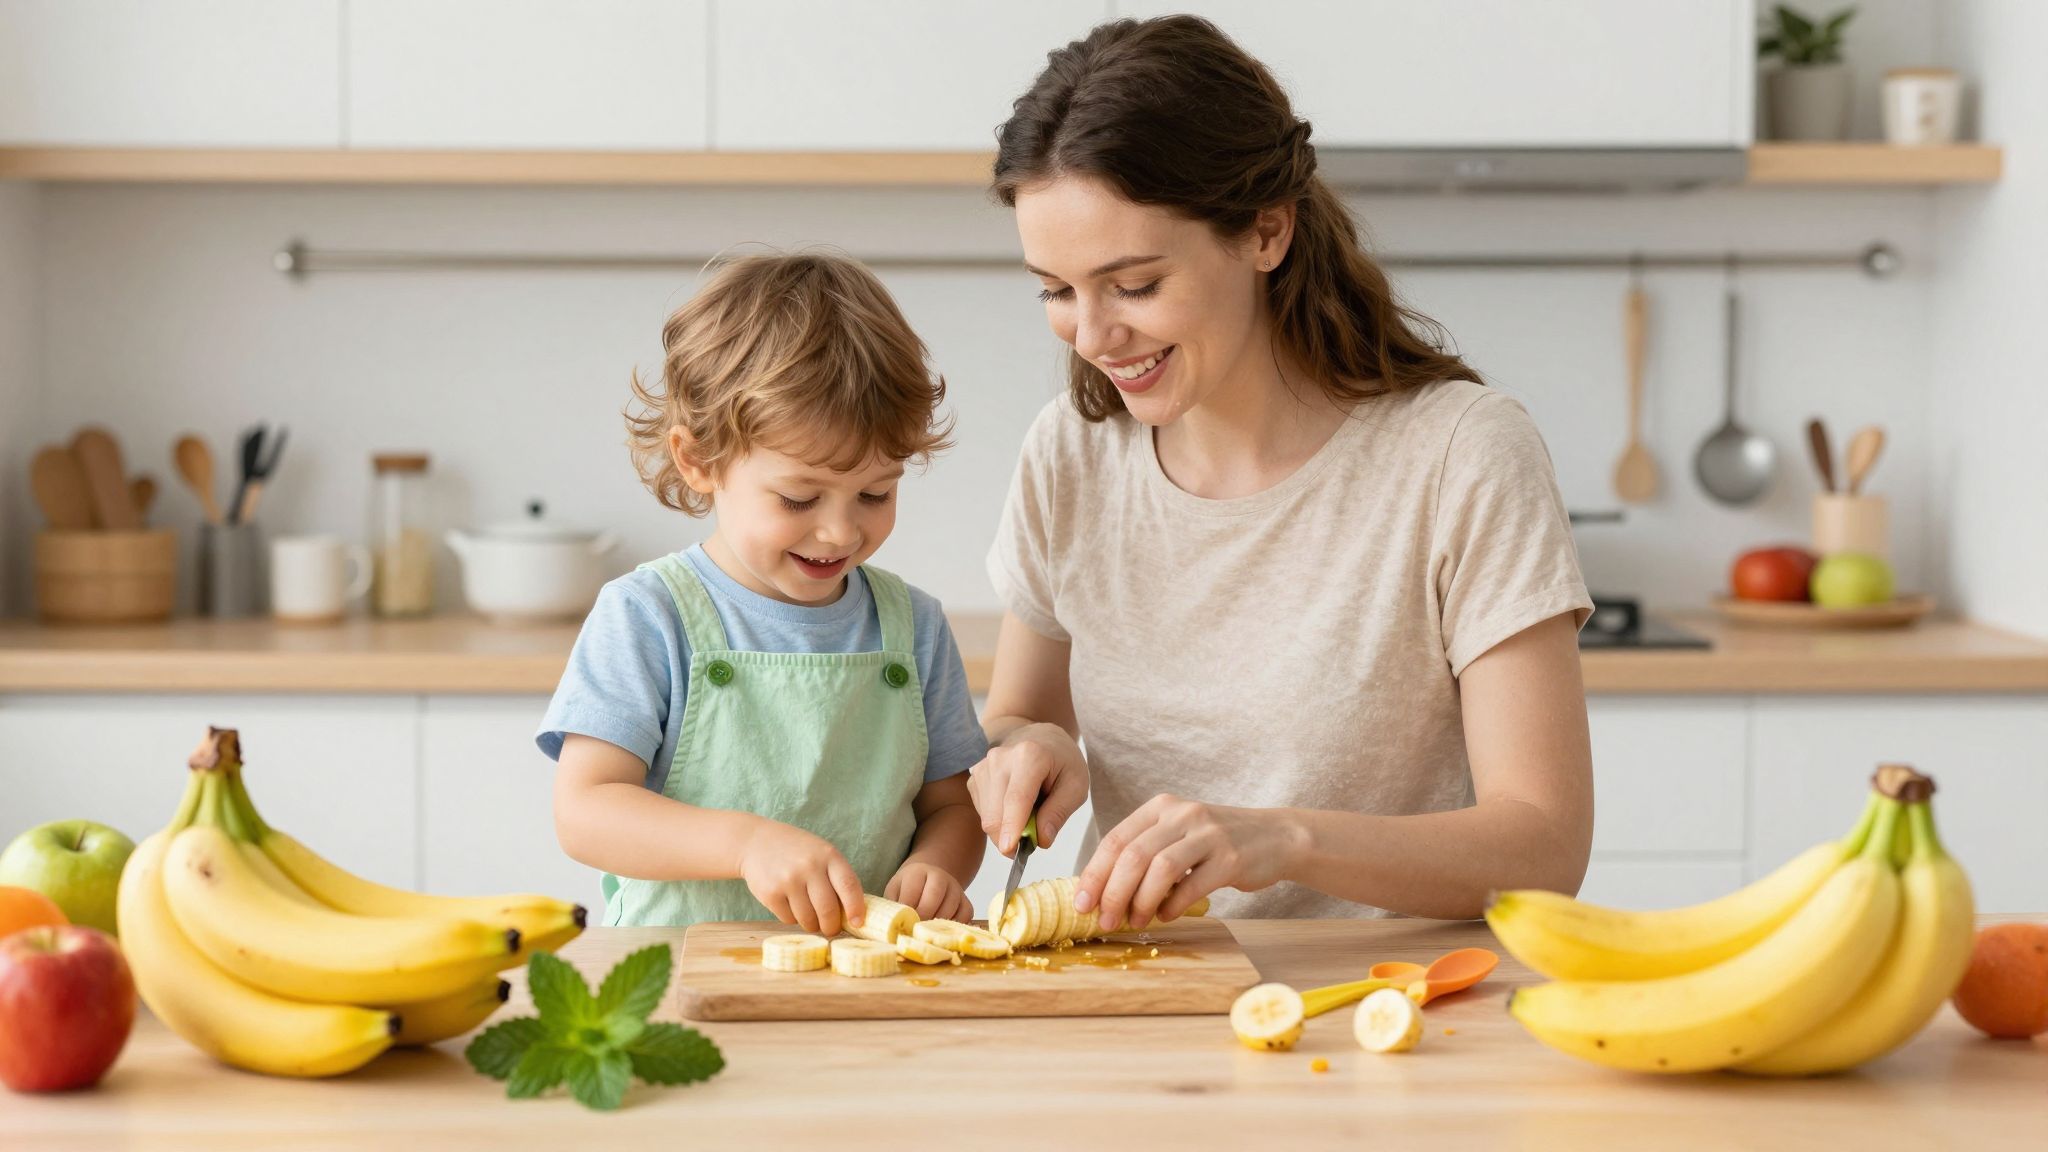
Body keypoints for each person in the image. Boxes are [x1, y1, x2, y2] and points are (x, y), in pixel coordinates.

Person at [967, 15, 1596, 929]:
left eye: (1135, 285)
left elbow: (1542, 846)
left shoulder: (1461, 452)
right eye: (1058, 292)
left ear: (1266, 232)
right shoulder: (1070, 450)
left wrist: (1283, 842)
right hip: (1149, 1002)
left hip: (1397, 1014)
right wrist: (1027, 748)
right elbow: (1021, 711)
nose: (1093, 337)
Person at [543, 251, 988, 934]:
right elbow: (586, 810)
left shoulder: (914, 627)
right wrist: (746, 844)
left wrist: (937, 868)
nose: (840, 531)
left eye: (876, 492)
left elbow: (953, 810)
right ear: (699, 461)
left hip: (865, 995)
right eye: (799, 497)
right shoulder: (648, 616)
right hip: (679, 978)